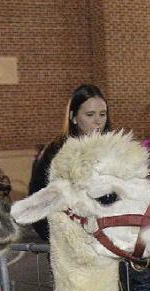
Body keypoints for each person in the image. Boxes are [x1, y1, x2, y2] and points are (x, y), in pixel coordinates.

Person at [28, 84, 111, 241]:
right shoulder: (54, 153)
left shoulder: (113, 151)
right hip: (69, 247)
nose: (98, 121)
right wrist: (63, 241)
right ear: (73, 117)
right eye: (90, 114)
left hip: (108, 246)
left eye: (102, 114)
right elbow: (36, 204)